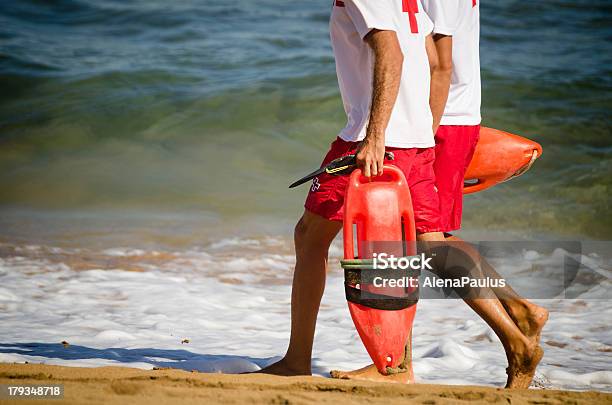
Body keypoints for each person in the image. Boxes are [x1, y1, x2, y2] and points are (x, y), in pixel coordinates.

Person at [259, 0, 545, 388]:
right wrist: (420, 131)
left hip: (373, 139)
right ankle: (515, 339)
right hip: (416, 140)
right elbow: (432, 58)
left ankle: (297, 360)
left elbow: (390, 50)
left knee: (309, 237)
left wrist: (376, 136)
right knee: (430, 244)